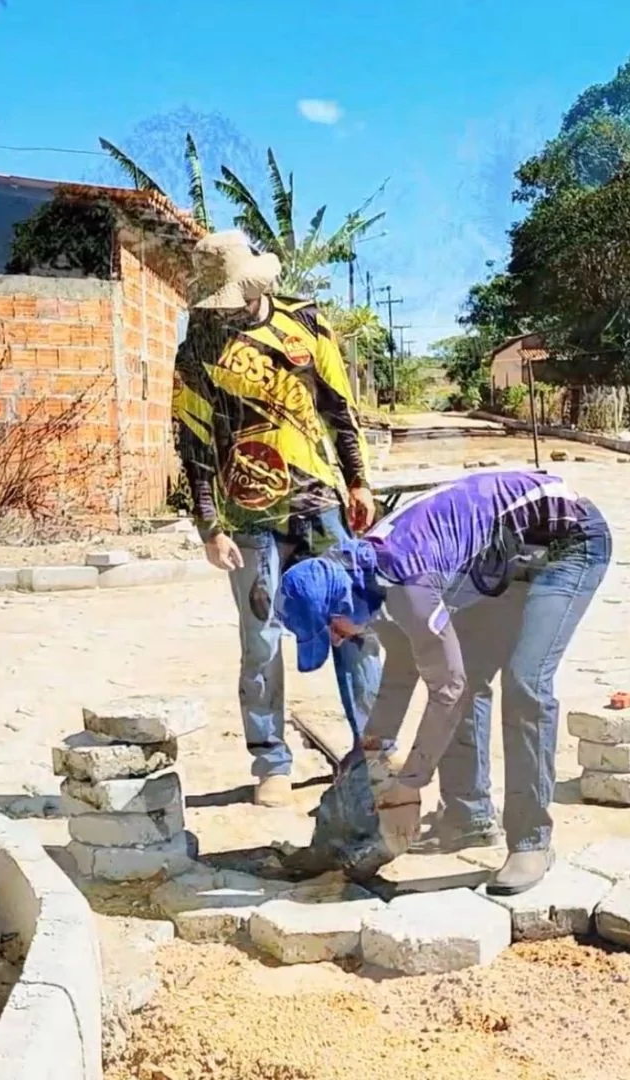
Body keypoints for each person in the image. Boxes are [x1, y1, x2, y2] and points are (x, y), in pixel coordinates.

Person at [275, 468, 613, 894]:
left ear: (340, 601)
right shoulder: (366, 576)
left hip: (569, 542)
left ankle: (532, 842)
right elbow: (402, 668)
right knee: (467, 675)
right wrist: (372, 749)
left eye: (331, 629)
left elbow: (444, 689)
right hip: (509, 556)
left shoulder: (405, 579)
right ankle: (467, 817)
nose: (337, 639)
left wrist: (410, 783)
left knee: (525, 683)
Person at [173, 230, 382, 807]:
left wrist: (358, 479)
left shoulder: (307, 326)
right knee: (260, 637)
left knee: (351, 621)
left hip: (319, 502)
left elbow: (340, 406)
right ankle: (271, 760)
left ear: (255, 284)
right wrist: (209, 524)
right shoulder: (197, 349)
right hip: (246, 512)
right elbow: (191, 440)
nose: (230, 307)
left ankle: (375, 747)